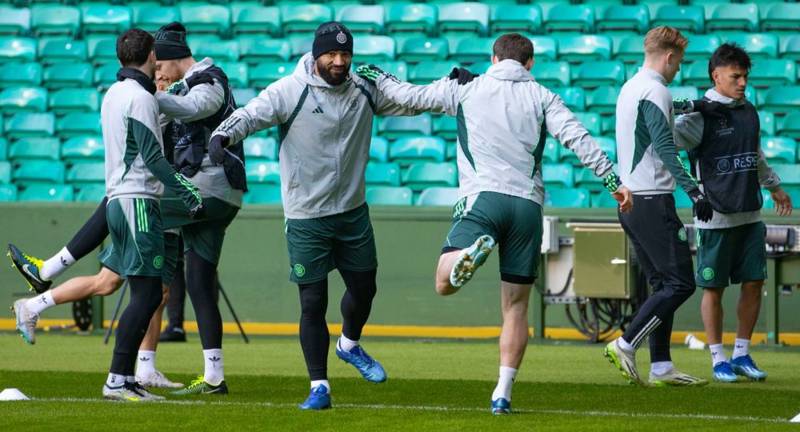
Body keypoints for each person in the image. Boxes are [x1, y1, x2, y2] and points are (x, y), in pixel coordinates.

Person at [356, 33, 632, 414]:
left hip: (484, 198)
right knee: (515, 307)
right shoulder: (543, 96)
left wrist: (379, 76)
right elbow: (577, 138)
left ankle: (469, 253)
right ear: (529, 63)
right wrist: (612, 180)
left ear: (493, 58)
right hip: (527, 208)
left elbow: (409, 98)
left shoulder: (467, 87)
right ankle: (502, 391)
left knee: (442, 282)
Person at [209, 22, 420, 410]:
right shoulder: (291, 90)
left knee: (365, 288)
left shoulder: (364, 88)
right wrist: (222, 135)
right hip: (307, 215)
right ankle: (319, 386)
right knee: (312, 302)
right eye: (331, 55)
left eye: (345, 55)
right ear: (316, 54)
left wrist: (459, 90)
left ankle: (349, 344)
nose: (339, 62)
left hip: (352, 211)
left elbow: (413, 100)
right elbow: (252, 114)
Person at [673, 43, 793, 382]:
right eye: (735, 76)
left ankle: (741, 353)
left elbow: (753, 156)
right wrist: (690, 104)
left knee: (754, 283)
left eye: (745, 77)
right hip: (715, 218)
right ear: (716, 75)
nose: (742, 83)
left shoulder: (749, 111)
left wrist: (774, 187)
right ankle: (717, 357)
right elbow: (660, 129)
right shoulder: (699, 116)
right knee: (714, 289)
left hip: (750, 214)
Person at [604, 26, 712, 387]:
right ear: (669, 57)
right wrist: (695, 193)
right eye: (678, 62)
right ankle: (626, 343)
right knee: (680, 284)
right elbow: (666, 147)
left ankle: (662, 366)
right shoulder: (656, 89)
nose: (678, 69)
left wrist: (693, 105)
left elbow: (658, 116)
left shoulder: (631, 87)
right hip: (652, 199)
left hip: (631, 200)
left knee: (661, 284)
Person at [98, 28, 202, 401]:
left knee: (145, 293)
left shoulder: (112, 94)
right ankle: (118, 379)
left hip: (117, 200)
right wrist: (186, 189)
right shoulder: (141, 97)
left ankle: (124, 378)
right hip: (139, 202)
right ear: (153, 54)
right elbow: (152, 157)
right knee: (145, 296)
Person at [150, 22, 245, 396]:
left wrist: (147, 96)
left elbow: (192, 108)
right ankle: (214, 378)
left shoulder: (210, 79)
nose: (156, 73)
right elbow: (155, 129)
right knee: (201, 283)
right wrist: (157, 98)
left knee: (132, 206)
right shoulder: (174, 86)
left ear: (174, 59)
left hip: (210, 189)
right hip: (212, 195)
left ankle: (57, 267)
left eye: (159, 67)